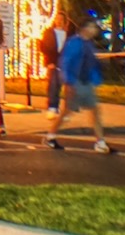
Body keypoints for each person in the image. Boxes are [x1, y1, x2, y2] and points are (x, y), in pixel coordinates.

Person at [45, 17, 115, 154]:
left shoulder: (88, 44)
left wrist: (95, 79)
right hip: (75, 82)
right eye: (92, 27)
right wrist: (68, 82)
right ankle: (50, 136)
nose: (94, 30)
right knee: (67, 112)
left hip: (85, 82)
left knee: (95, 111)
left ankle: (100, 142)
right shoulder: (74, 43)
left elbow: (91, 63)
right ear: (85, 28)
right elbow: (66, 62)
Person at [38, 11, 69, 117]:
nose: (59, 21)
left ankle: (59, 107)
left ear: (65, 22)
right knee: (53, 84)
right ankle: (52, 107)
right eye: (57, 19)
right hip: (53, 63)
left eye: (61, 20)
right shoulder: (49, 33)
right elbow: (45, 47)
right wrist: (49, 62)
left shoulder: (68, 34)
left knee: (61, 86)